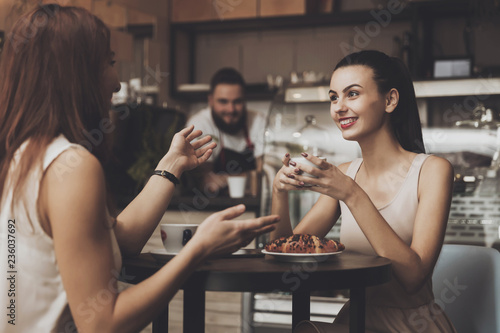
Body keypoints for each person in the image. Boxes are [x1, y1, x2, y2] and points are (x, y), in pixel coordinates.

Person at [0, 5, 279, 333]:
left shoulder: (25, 156)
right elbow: (103, 324)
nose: (117, 84)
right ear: (77, 74)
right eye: (109, 63)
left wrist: (171, 165)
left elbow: (118, 242)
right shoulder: (72, 167)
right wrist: (199, 249)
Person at [271, 50, 456, 333]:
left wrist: (352, 194)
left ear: (390, 100)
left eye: (352, 94)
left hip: (412, 325)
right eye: (334, 97)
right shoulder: (345, 174)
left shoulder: (433, 170)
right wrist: (279, 191)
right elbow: (285, 254)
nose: (338, 107)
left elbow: (412, 277)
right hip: (354, 320)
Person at [187, 67, 267, 195]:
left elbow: (265, 170)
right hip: (213, 203)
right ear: (211, 101)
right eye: (223, 101)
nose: (231, 109)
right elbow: (205, 179)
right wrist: (249, 177)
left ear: (245, 100)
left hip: (252, 202)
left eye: (237, 101)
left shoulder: (259, 121)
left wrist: (225, 179)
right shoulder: (200, 124)